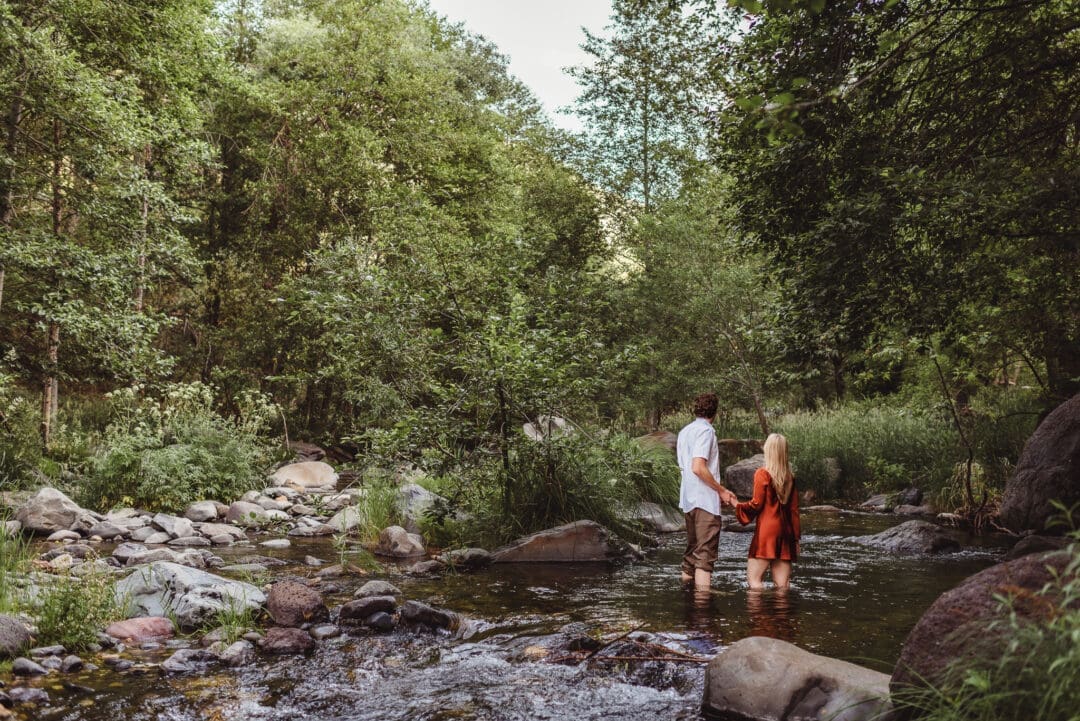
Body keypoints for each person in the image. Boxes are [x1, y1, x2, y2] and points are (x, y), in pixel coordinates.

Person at [677, 392, 738, 588]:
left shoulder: (685, 431)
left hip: (688, 499)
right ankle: (703, 611)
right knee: (704, 557)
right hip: (704, 501)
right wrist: (721, 490)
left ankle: (688, 603)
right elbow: (698, 467)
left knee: (691, 555)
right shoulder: (706, 431)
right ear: (715, 412)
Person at [735, 433, 801, 590]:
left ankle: (758, 615)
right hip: (786, 533)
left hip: (767, 531)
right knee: (782, 586)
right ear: (784, 452)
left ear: (768, 450)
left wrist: (737, 505)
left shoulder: (762, 474)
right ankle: (782, 614)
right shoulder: (790, 477)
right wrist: (796, 539)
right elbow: (794, 511)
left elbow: (756, 504)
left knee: (754, 581)